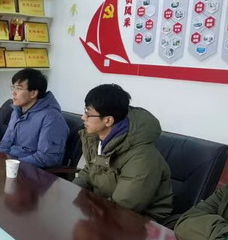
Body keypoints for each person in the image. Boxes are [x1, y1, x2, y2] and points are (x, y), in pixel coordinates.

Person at [72, 84, 174, 226]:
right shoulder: (99, 138)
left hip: (140, 221)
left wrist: (88, 212)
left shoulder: (142, 157)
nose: (83, 117)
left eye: (88, 114)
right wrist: (71, 194)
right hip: (102, 209)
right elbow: (89, 171)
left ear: (108, 120)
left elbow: (123, 206)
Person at [0, 68, 68, 168]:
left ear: (33, 93)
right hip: (12, 166)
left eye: (19, 89)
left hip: (31, 171)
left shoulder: (51, 118)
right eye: (13, 88)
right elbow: (5, 143)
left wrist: (14, 164)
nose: (13, 93)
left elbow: (47, 157)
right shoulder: (17, 111)